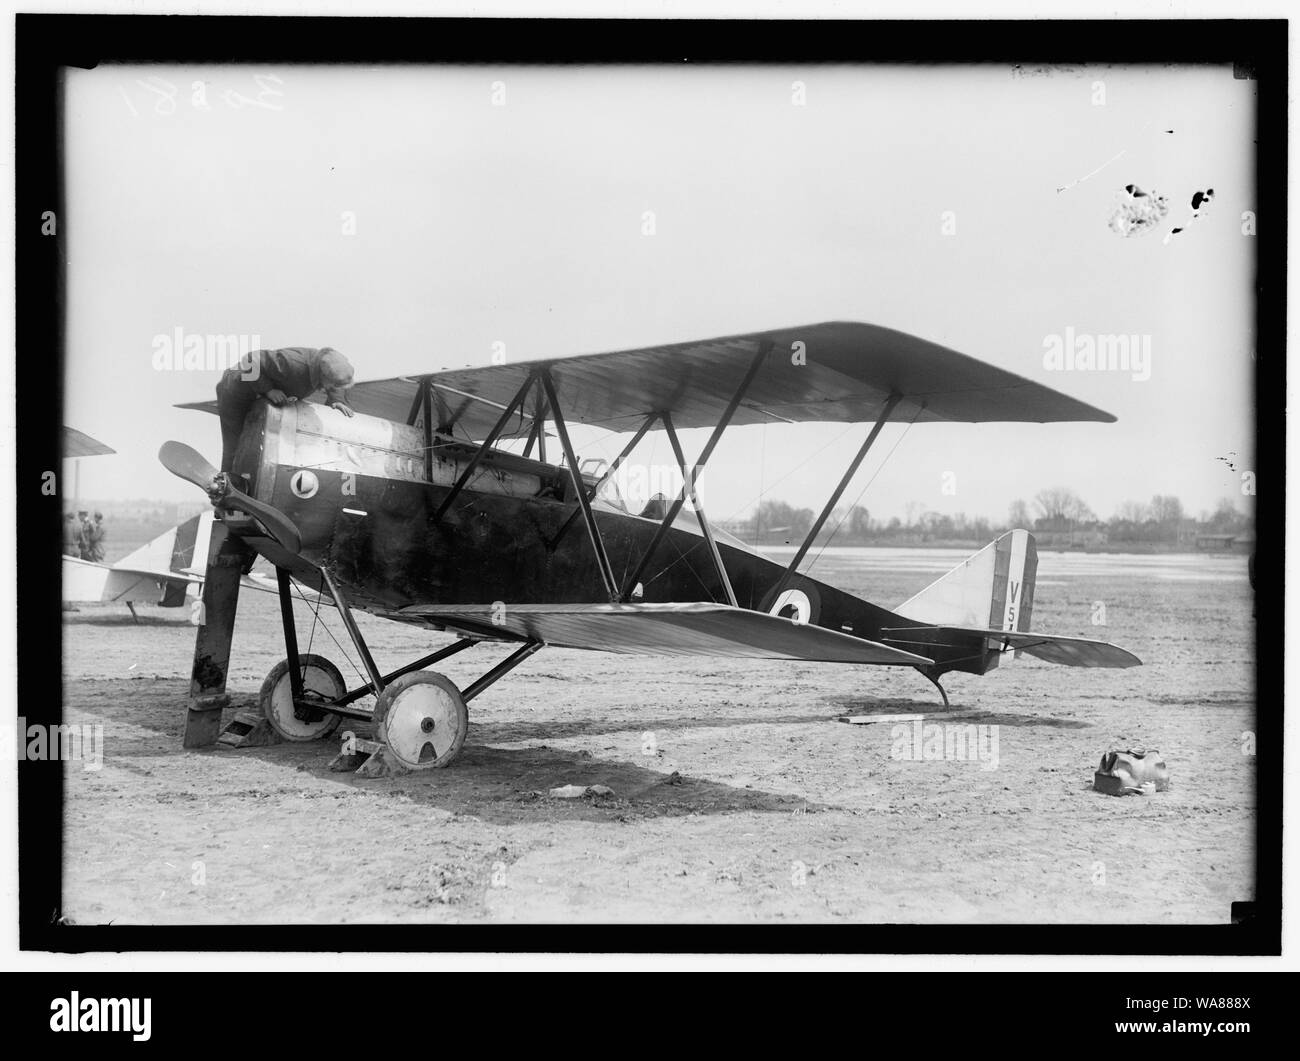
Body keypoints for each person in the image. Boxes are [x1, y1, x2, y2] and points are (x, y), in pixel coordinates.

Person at [215, 346, 356, 473]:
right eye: (332, 387)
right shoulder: (293, 364)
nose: (331, 390)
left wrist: (337, 400)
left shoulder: (328, 364)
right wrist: (268, 390)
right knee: (235, 446)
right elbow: (250, 360)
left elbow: (337, 378)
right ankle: (226, 487)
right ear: (323, 375)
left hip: (262, 397)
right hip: (236, 390)